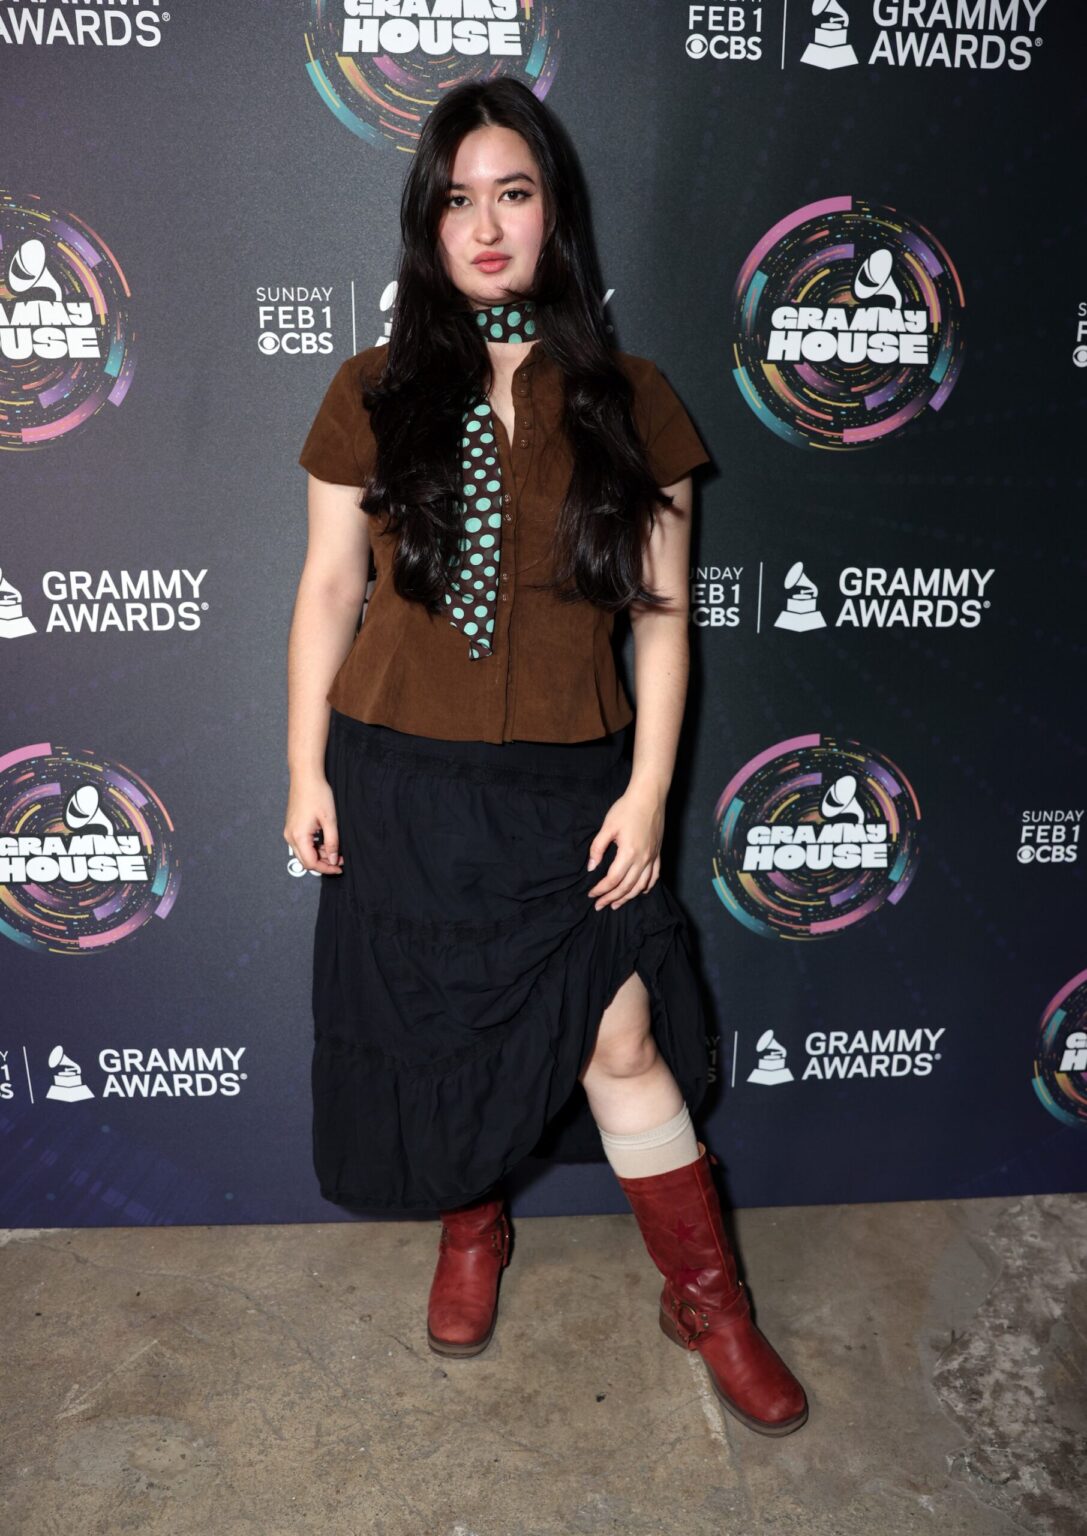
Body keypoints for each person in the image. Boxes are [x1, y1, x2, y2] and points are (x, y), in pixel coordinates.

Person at [285, 77, 807, 1437]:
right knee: (443, 1038)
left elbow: (663, 620)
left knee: (620, 1038)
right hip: (402, 777)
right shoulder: (370, 391)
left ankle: (709, 1301)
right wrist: (304, 770)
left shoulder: (633, 400)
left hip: (571, 786)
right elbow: (329, 590)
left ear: (553, 212)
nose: (486, 225)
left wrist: (648, 794)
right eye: (457, 201)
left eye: (512, 193)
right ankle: (473, 1230)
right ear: (428, 225)